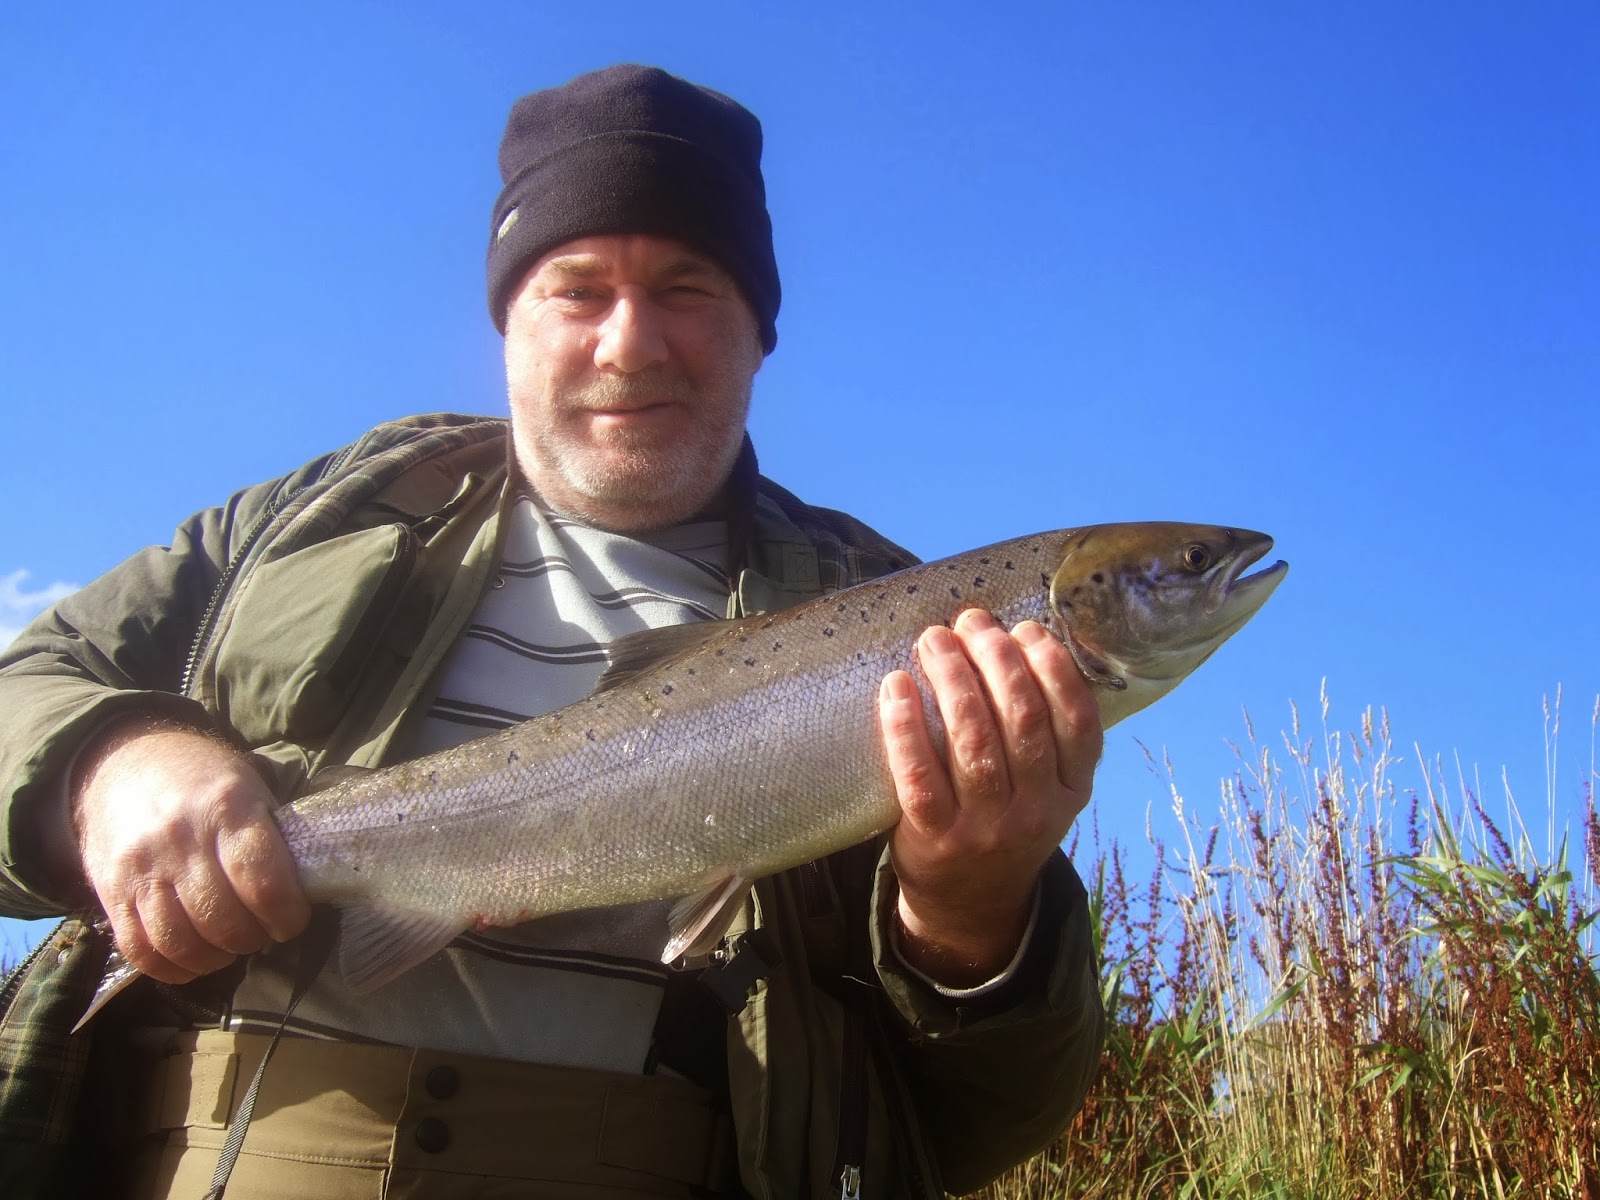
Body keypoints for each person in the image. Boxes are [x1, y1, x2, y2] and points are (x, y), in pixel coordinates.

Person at [0, 64, 1106, 1199]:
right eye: (578, 290)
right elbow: (25, 683)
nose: (632, 345)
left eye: (689, 287)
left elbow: (976, 1131)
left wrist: (969, 922)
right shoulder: (320, 512)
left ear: (758, 332)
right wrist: (106, 769)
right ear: (506, 322)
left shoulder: (912, 624)